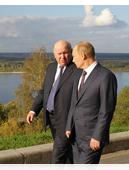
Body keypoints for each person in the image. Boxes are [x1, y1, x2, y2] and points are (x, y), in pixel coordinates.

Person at [27, 40, 80, 170]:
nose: (62, 57)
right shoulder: (51, 67)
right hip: (51, 117)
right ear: (54, 54)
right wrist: (33, 110)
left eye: (65, 53)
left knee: (57, 156)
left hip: (66, 119)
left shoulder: (78, 69)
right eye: (59, 54)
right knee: (66, 153)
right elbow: (44, 91)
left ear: (71, 52)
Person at [65, 41, 117, 170]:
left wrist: (97, 136)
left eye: (74, 56)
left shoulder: (106, 76)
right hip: (75, 137)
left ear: (83, 56)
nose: (72, 60)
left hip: (92, 138)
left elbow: (107, 110)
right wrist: (69, 126)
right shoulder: (78, 75)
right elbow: (74, 104)